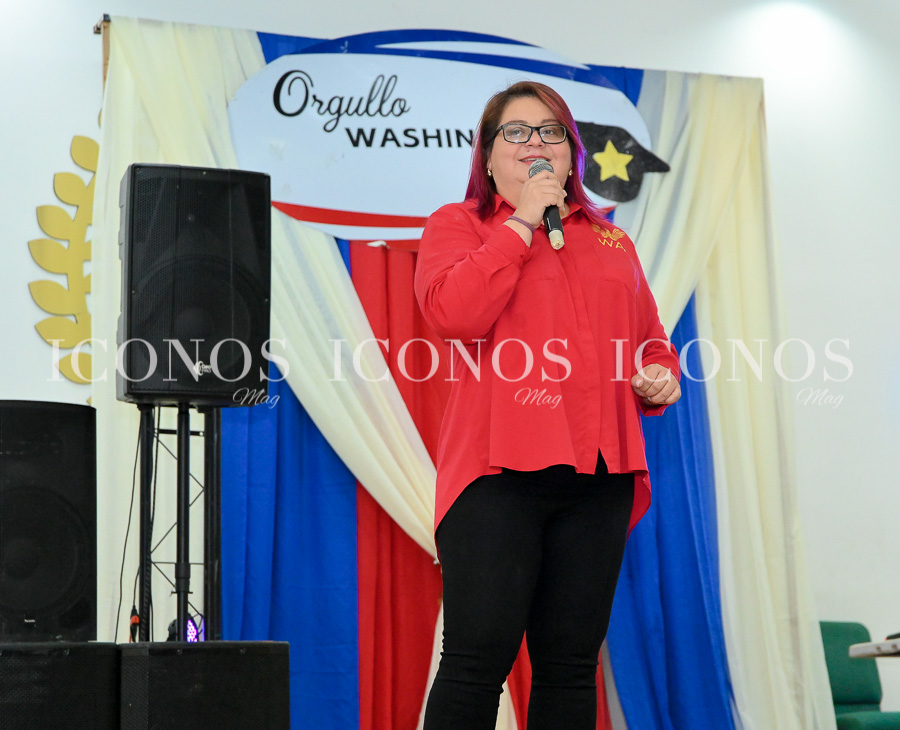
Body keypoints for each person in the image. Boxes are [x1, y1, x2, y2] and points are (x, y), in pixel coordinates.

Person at [413, 80, 681, 730]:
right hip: (497, 476)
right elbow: (453, 314)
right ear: (487, 157)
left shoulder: (612, 241)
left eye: (551, 132)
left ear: (571, 154)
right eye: (517, 132)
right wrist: (522, 223)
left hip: (599, 478)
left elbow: (651, 339)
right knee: (476, 660)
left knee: (570, 665)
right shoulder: (458, 225)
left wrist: (659, 372)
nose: (536, 144)